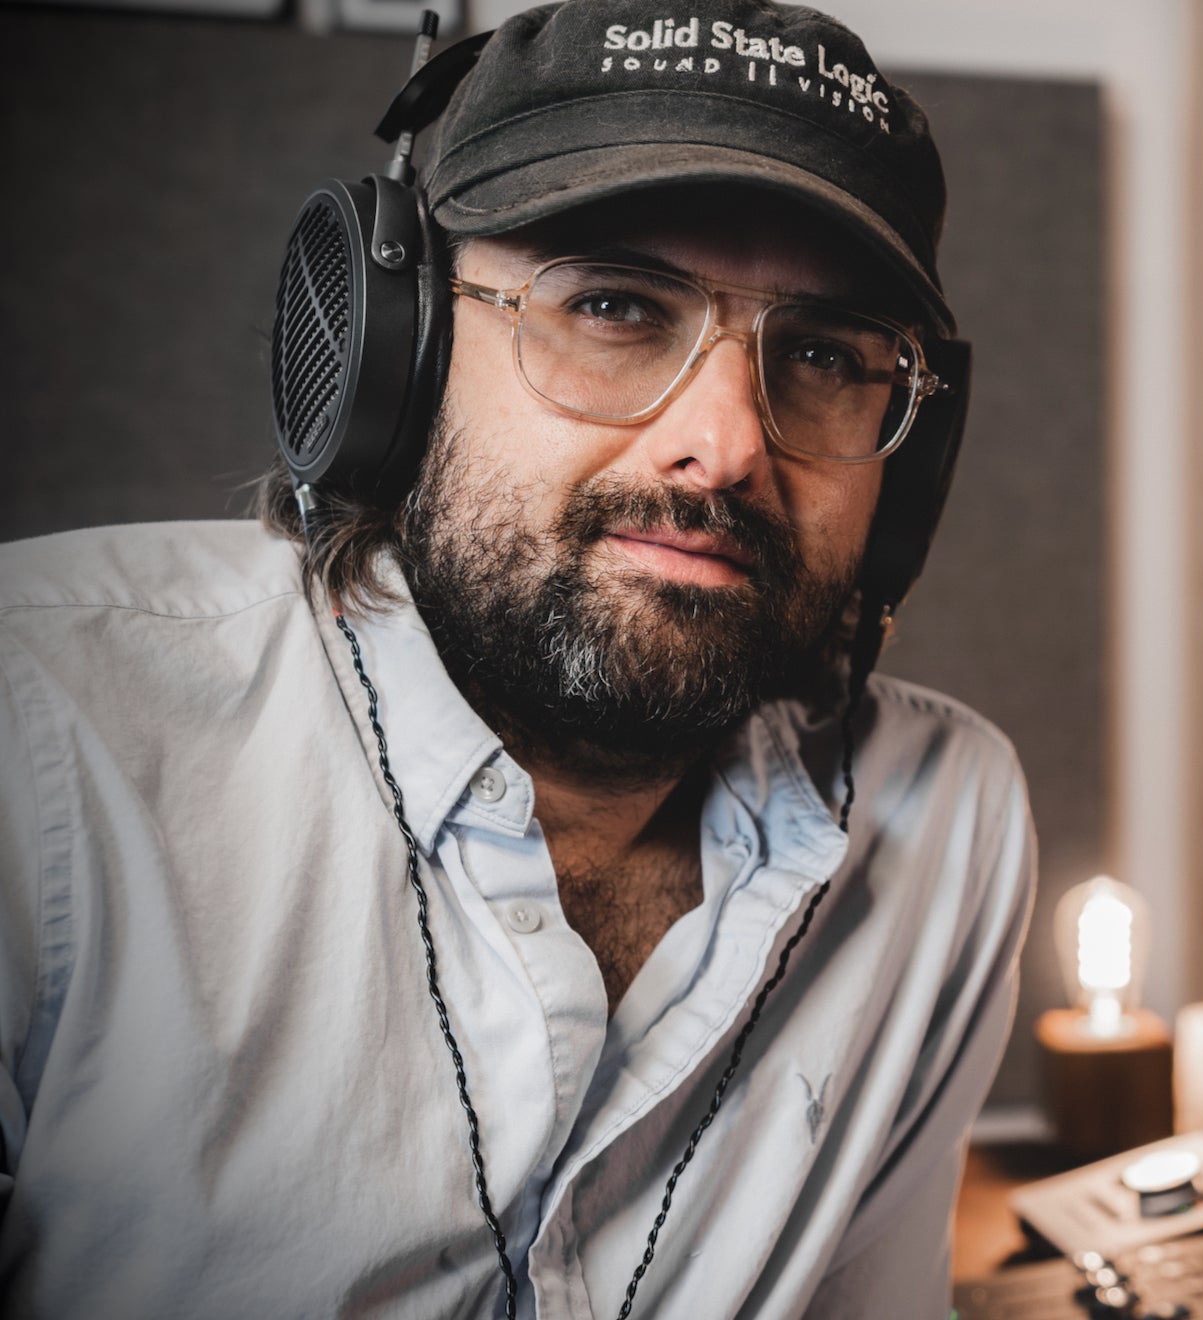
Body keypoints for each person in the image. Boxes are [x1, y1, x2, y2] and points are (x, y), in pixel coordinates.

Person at [0, 2, 1035, 1316]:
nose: (723, 446)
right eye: (611, 304)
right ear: (396, 351)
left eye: (826, 353)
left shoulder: (947, 823)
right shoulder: (40, 746)